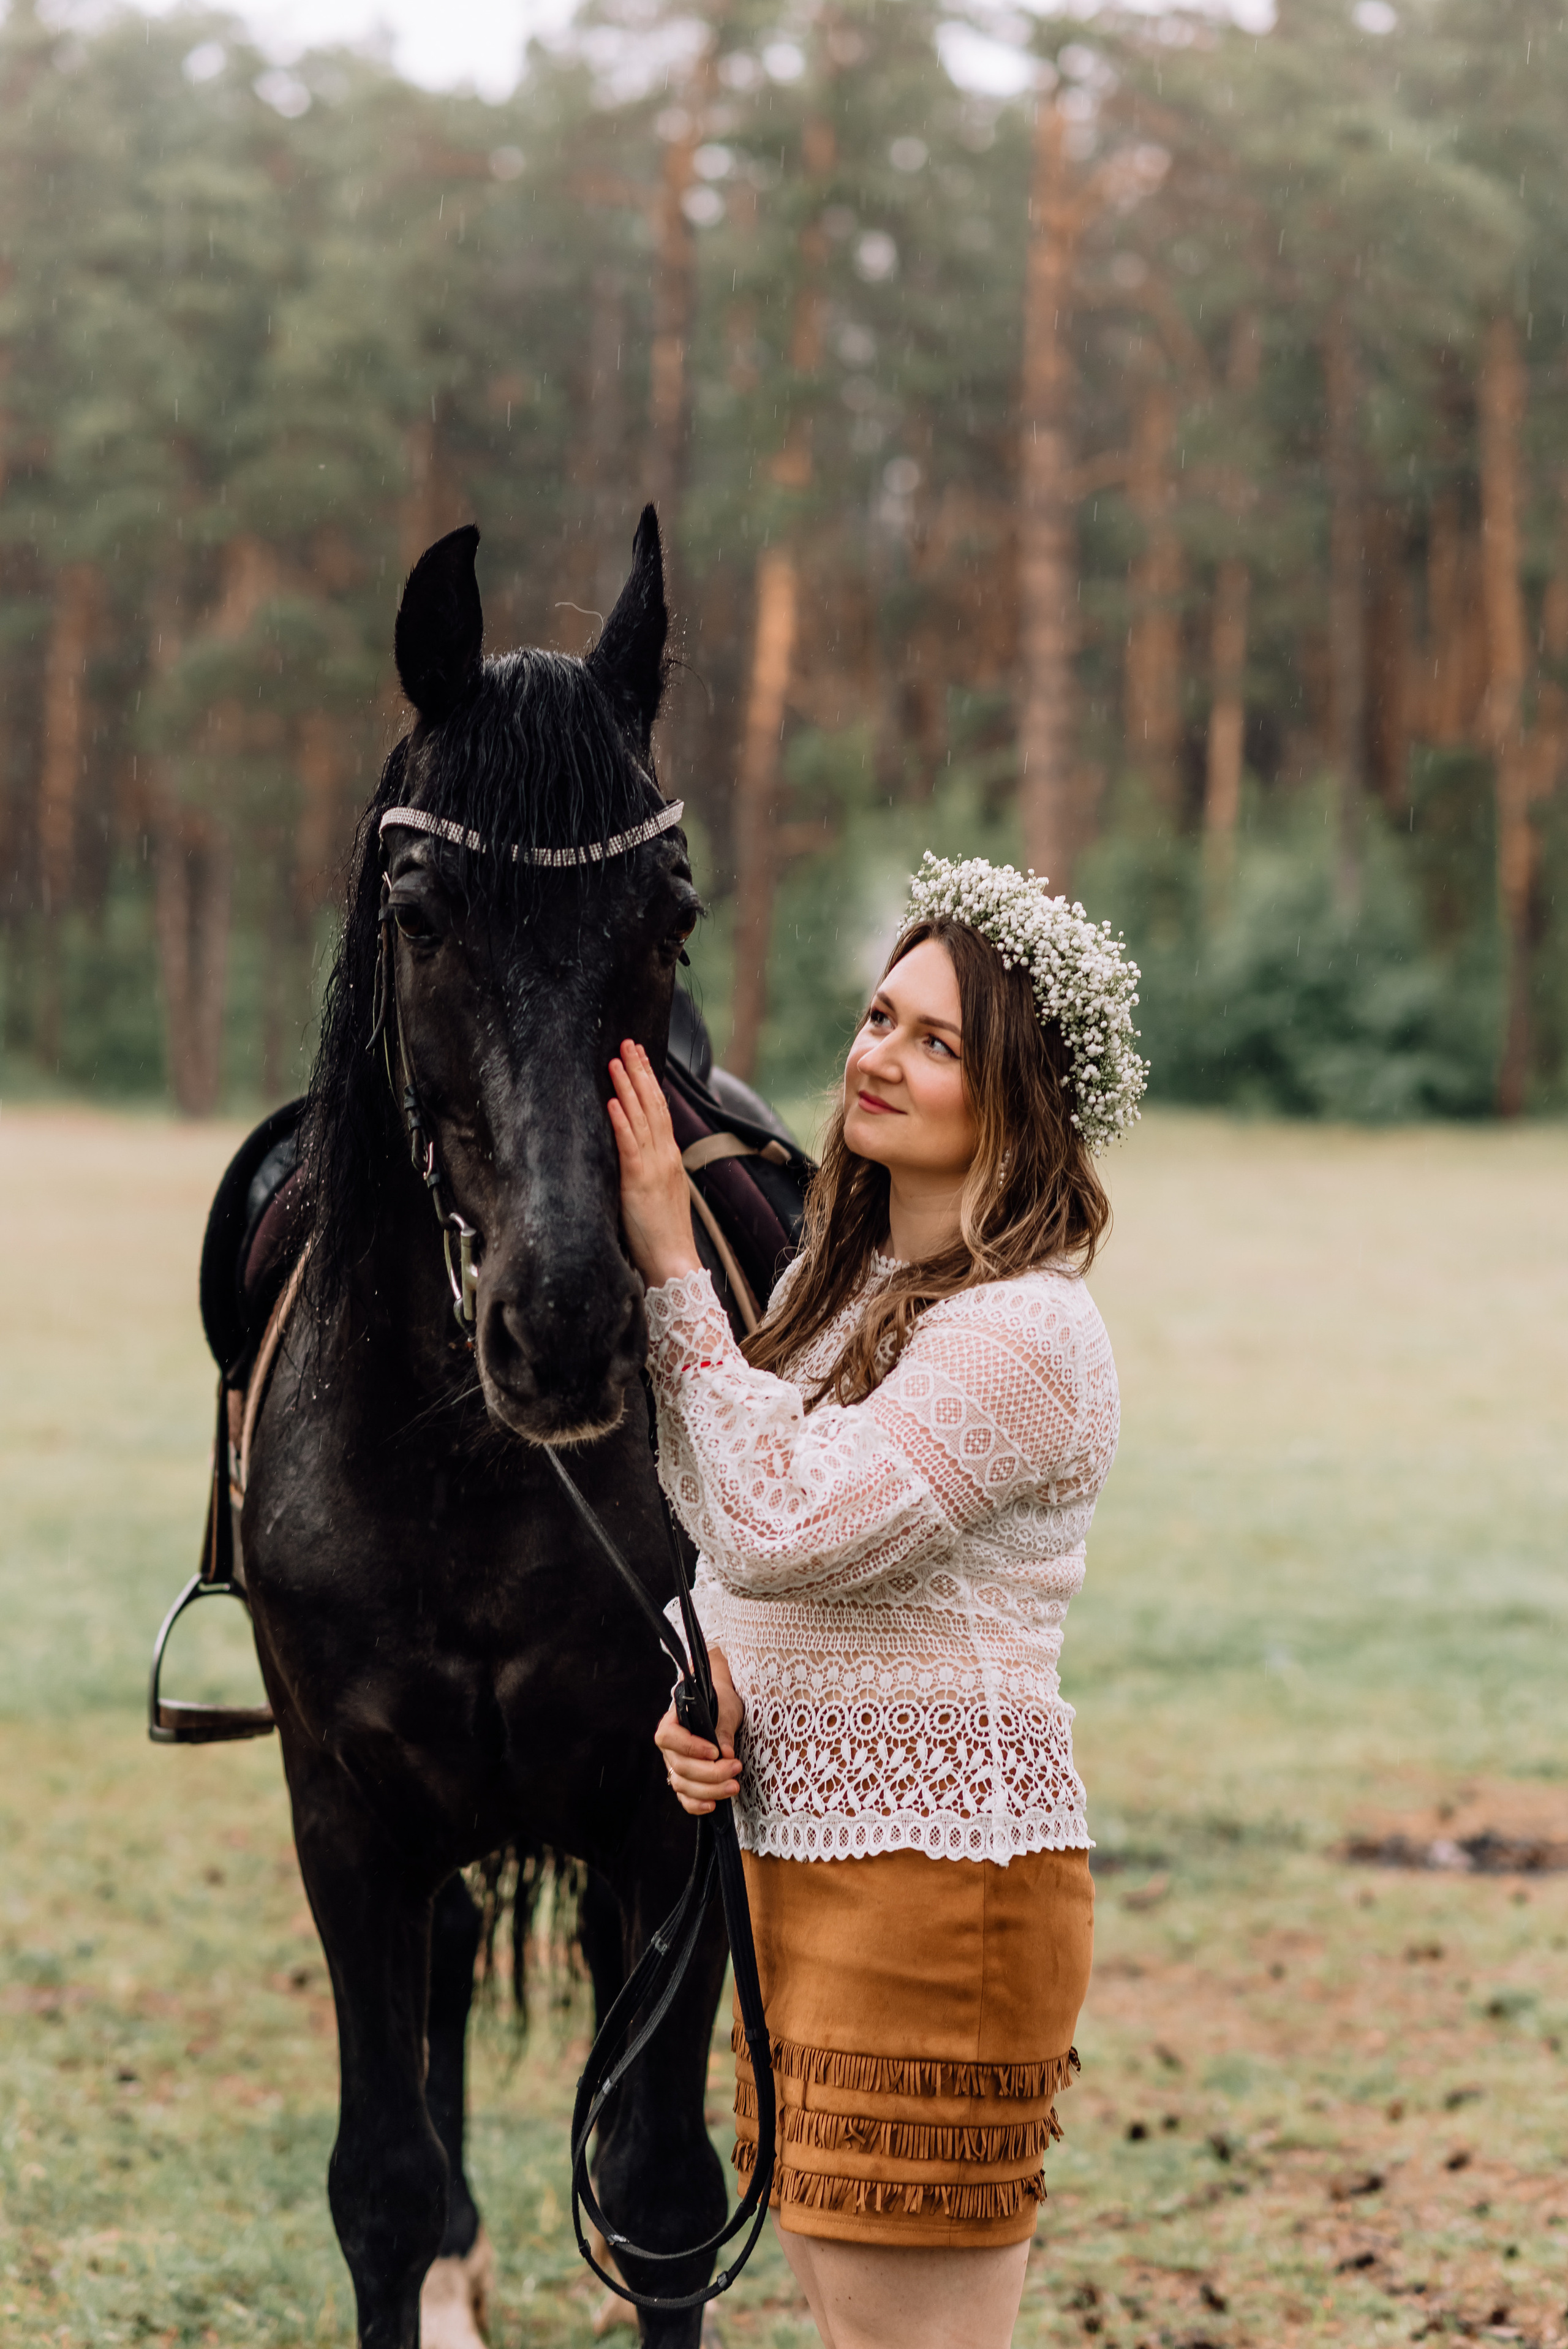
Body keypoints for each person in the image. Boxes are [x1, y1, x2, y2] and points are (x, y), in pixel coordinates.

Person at [606, 854, 1147, 2349]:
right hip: (801, 1876)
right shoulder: (836, 1298)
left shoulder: (1026, 1332)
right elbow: (734, 1537)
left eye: (936, 1040)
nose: (876, 1057)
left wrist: (669, 1266)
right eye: (875, 1016)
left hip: (938, 1893)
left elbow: (788, 1519)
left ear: (1017, 1091)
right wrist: (713, 1702)